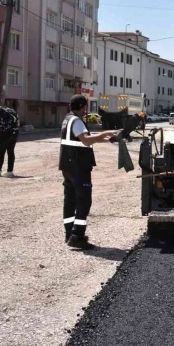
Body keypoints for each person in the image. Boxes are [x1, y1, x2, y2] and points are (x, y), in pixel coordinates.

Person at [60, 94, 120, 249]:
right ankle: (77, 236)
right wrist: (105, 133)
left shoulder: (68, 119)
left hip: (67, 166)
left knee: (70, 200)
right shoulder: (77, 121)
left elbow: (83, 139)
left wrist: (106, 139)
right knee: (84, 201)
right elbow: (86, 140)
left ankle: (69, 234)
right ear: (83, 107)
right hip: (79, 167)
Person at [0, 106, 20, 177]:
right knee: (11, 152)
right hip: (15, 134)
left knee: (1, 152)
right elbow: (18, 123)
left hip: (5, 135)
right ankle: (10, 172)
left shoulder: (2, 114)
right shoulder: (12, 111)